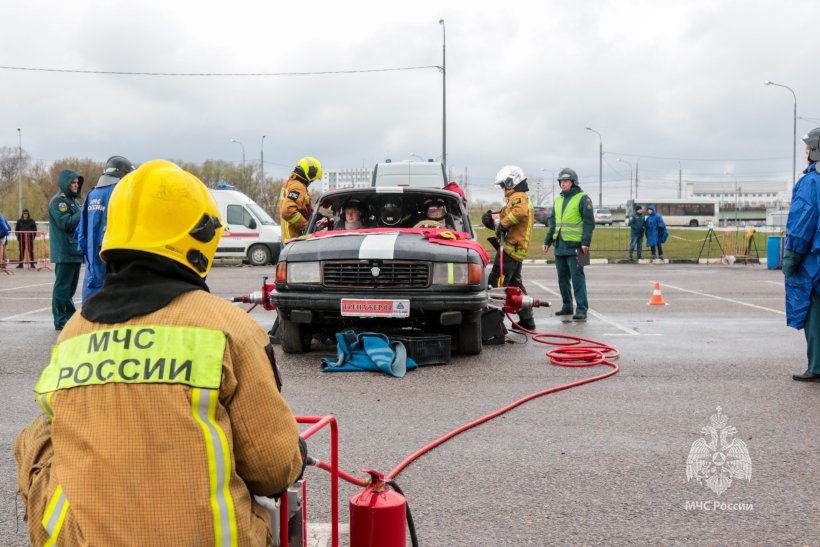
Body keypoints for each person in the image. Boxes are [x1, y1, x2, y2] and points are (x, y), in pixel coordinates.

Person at [15, 160, 306, 545]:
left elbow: (42, 438)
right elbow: (273, 470)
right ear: (200, 237)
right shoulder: (228, 329)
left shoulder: (73, 334)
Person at [783, 127, 820, 382]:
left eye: (807, 148)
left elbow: (801, 224)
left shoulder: (811, 182)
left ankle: (817, 367)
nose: (804, 152)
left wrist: (791, 260)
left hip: (814, 264)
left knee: (814, 314)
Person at [75, 155, 136, 301]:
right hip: (113, 263)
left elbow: (81, 235)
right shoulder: (119, 192)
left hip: (92, 269)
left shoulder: (91, 194)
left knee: (91, 311)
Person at [486, 165, 536, 331]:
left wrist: (502, 224)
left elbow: (519, 213)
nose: (502, 188)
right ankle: (527, 320)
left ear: (511, 182)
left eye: (502, 185)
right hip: (515, 250)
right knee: (516, 285)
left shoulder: (519, 197)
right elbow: (508, 213)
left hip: (511, 250)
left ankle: (495, 325)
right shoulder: (516, 198)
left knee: (497, 285)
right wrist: (493, 216)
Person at [543, 168, 595, 321]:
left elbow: (589, 223)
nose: (562, 184)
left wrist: (586, 243)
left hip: (578, 247)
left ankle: (582, 309)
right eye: (561, 181)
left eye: (565, 181)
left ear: (573, 182)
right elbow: (553, 223)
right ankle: (567, 306)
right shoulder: (558, 200)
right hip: (560, 246)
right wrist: (547, 241)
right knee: (562, 278)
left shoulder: (583, 198)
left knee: (578, 277)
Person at [48, 169, 84, 330]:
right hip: (64, 251)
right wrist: (83, 211)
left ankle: (69, 317)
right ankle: (60, 319)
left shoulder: (74, 201)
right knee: (62, 287)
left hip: (74, 250)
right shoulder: (58, 202)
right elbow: (66, 223)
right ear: (65, 183)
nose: (76, 185)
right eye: (73, 183)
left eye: (77, 183)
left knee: (70, 287)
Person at [280, 156, 322, 245]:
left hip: (289, 239)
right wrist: (306, 226)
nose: (312, 181)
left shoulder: (291, 183)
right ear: (310, 173)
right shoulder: (298, 187)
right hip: (294, 240)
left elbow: (300, 207)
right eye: (313, 179)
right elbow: (287, 211)